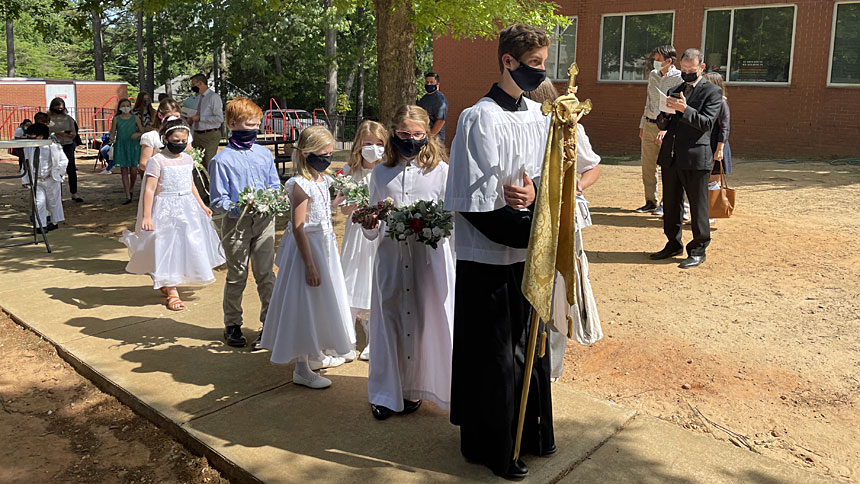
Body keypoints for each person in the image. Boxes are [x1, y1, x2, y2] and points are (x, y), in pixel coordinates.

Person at [445, 24, 554, 479]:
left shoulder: (538, 116)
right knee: (494, 355)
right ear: (507, 61)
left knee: (530, 350)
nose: (540, 73)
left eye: (544, 65)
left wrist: (539, 205)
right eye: (533, 65)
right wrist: (530, 230)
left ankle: (530, 434)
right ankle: (493, 445)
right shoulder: (479, 118)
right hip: (490, 255)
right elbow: (474, 202)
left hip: (528, 249)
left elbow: (552, 177)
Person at [359, 105, 455, 420]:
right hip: (390, 258)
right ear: (393, 134)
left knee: (427, 321)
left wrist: (435, 229)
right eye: (403, 134)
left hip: (428, 261)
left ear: (427, 135)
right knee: (388, 321)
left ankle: (418, 387)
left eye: (417, 135)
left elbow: (451, 220)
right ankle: (385, 393)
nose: (410, 140)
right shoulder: (380, 172)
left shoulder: (441, 171)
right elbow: (372, 223)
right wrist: (370, 225)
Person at [260, 126, 355, 389]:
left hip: (324, 245)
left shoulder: (321, 180)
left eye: (329, 153)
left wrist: (339, 201)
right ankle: (301, 368)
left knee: (320, 302)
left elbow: (322, 210)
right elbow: (299, 225)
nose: (327, 158)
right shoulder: (300, 185)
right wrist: (310, 265)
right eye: (322, 153)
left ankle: (315, 353)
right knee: (303, 303)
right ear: (306, 153)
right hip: (307, 249)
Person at [523, 82, 602, 381]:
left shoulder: (569, 128)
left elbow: (592, 166)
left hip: (562, 221)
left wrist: (577, 184)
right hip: (527, 217)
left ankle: (550, 370)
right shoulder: (518, 129)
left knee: (557, 292)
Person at [120, 119, 224, 310]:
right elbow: (150, 189)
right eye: (176, 139)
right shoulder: (157, 161)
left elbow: (191, 184)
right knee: (167, 246)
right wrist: (147, 216)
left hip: (188, 208)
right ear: (165, 139)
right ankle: (172, 289)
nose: (180, 143)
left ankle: (169, 282)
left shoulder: (187, 159)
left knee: (188, 243)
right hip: (165, 208)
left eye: (184, 140)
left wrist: (202, 205)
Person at [209, 97, 279, 350]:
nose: (254, 129)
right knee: (237, 275)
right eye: (249, 124)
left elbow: (274, 185)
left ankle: (270, 323)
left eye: (257, 124)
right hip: (236, 224)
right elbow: (218, 200)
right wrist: (239, 207)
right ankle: (233, 324)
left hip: (264, 221)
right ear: (232, 124)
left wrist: (270, 201)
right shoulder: (221, 161)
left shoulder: (264, 154)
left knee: (265, 274)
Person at [650, 48, 723, 269]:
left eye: (691, 70)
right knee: (671, 204)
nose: (686, 73)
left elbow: (707, 123)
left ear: (701, 68)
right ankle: (673, 243)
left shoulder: (712, 92)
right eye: (683, 69)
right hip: (671, 155)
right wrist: (664, 113)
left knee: (698, 205)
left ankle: (698, 249)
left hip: (695, 157)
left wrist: (684, 108)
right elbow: (663, 123)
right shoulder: (675, 89)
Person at [339, 120, 387, 361]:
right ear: (359, 144)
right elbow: (344, 211)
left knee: (374, 280)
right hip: (356, 233)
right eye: (369, 143)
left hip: (378, 232)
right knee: (352, 278)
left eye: (379, 144)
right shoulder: (350, 173)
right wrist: (354, 204)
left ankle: (373, 338)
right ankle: (348, 338)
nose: (374, 148)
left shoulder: (387, 170)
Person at [636, 45, 684, 217]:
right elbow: (648, 100)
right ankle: (650, 201)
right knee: (648, 166)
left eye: (657, 59)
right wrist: (643, 123)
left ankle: (666, 203)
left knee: (667, 167)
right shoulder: (653, 76)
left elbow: (678, 107)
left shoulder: (680, 79)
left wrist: (666, 129)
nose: (654, 62)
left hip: (667, 128)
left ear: (669, 61)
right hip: (649, 124)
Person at [20, 123, 68, 232]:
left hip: (51, 179)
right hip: (36, 180)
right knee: (39, 202)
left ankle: (54, 222)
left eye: (32, 136)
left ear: (40, 136)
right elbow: (25, 164)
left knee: (54, 201)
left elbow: (64, 161)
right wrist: (24, 179)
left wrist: (58, 172)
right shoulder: (28, 148)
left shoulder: (54, 147)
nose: (29, 138)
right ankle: (40, 225)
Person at [138, 98, 193, 174]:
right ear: (160, 115)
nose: (173, 119)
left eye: (176, 116)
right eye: (169, 116)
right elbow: (143, 164)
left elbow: (189, 154)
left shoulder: (186, 135)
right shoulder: (151, 137)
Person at [704, 71, 731, 214]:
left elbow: (724, 127)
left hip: (717, 145)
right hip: (706, 144)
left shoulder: (722, 102)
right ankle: (705, 213)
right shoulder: (706, 101)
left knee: (713, 181)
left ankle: (712, 213)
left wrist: (719, 149)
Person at [47, 97, 83, 203]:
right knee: (55, 169)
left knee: (71, 168)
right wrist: (56, 133)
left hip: (68, 145)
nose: (59, 108)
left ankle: (74, 193)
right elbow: (44, 131)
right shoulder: (48, 118)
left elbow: (74, 133)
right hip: (53, 146)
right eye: (57, 106)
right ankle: (58, 194)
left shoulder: (68, 119)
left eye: (61, 106)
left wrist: (68, 134)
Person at [108, 98, 143, 204]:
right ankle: (127, 195)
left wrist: (138, 134)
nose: (126, 107)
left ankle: (131, 188)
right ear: (119, 107)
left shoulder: (135, 118)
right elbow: (112, 131)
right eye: (123, 105)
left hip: (133, 145)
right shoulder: (116, 118)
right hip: (121, 145)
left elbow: (142, 131)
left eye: (128, 105)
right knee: (124, 170)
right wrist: (111, 138)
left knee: (133, 170)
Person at [188, 74, 224, 168]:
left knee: (209, 164)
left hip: (210, 135)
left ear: (200, 83)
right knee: (197, 165)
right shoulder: (197, 98)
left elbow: (219, 118)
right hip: (197, 135)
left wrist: (201, 118)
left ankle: (211, 182)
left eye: (193, 85)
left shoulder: (213, 97)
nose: (192, 88)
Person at [416, 72, 449, 141]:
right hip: (423, 136)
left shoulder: (440, 99)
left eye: (431, 82)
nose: (429, 84)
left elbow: (441, 121)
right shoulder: (424, 98)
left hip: (435, 139)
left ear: (437, 84)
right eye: (427, 82)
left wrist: (430, 137)